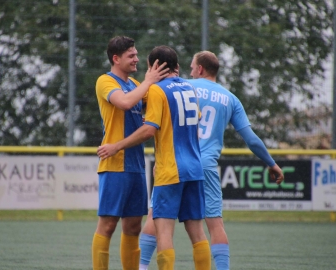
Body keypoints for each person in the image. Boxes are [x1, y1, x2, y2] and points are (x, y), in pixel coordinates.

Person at [138, 51, 285, 270]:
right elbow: (252, 140)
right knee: (214, 225)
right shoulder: (230, 99)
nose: (188, 70)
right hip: (203, 166)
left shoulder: (183, 86)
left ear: (199, 69)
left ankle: (142, 266)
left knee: (157, 217)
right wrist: (271, 163)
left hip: (175, 162)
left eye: (191, 67)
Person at [97, 45, 211, 270]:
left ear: (153, 67)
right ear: (177, 67)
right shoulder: (190, 89)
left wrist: (117, 146)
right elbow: (196, 128)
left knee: (164, 232)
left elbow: (149, 130)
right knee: (197, 232)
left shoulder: (157, 90)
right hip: (195, 169)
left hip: (170, 170)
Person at [92, 36, 169, 270]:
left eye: (136, 54)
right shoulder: (105, 81)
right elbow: (125, 103)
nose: (137, 58)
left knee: (134, 226)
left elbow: (155, 100)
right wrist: (148, 81)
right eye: (131, 55)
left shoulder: (136, 84)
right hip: (115, 164)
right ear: (116, 59)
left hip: (136, 166)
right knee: (107, 225)